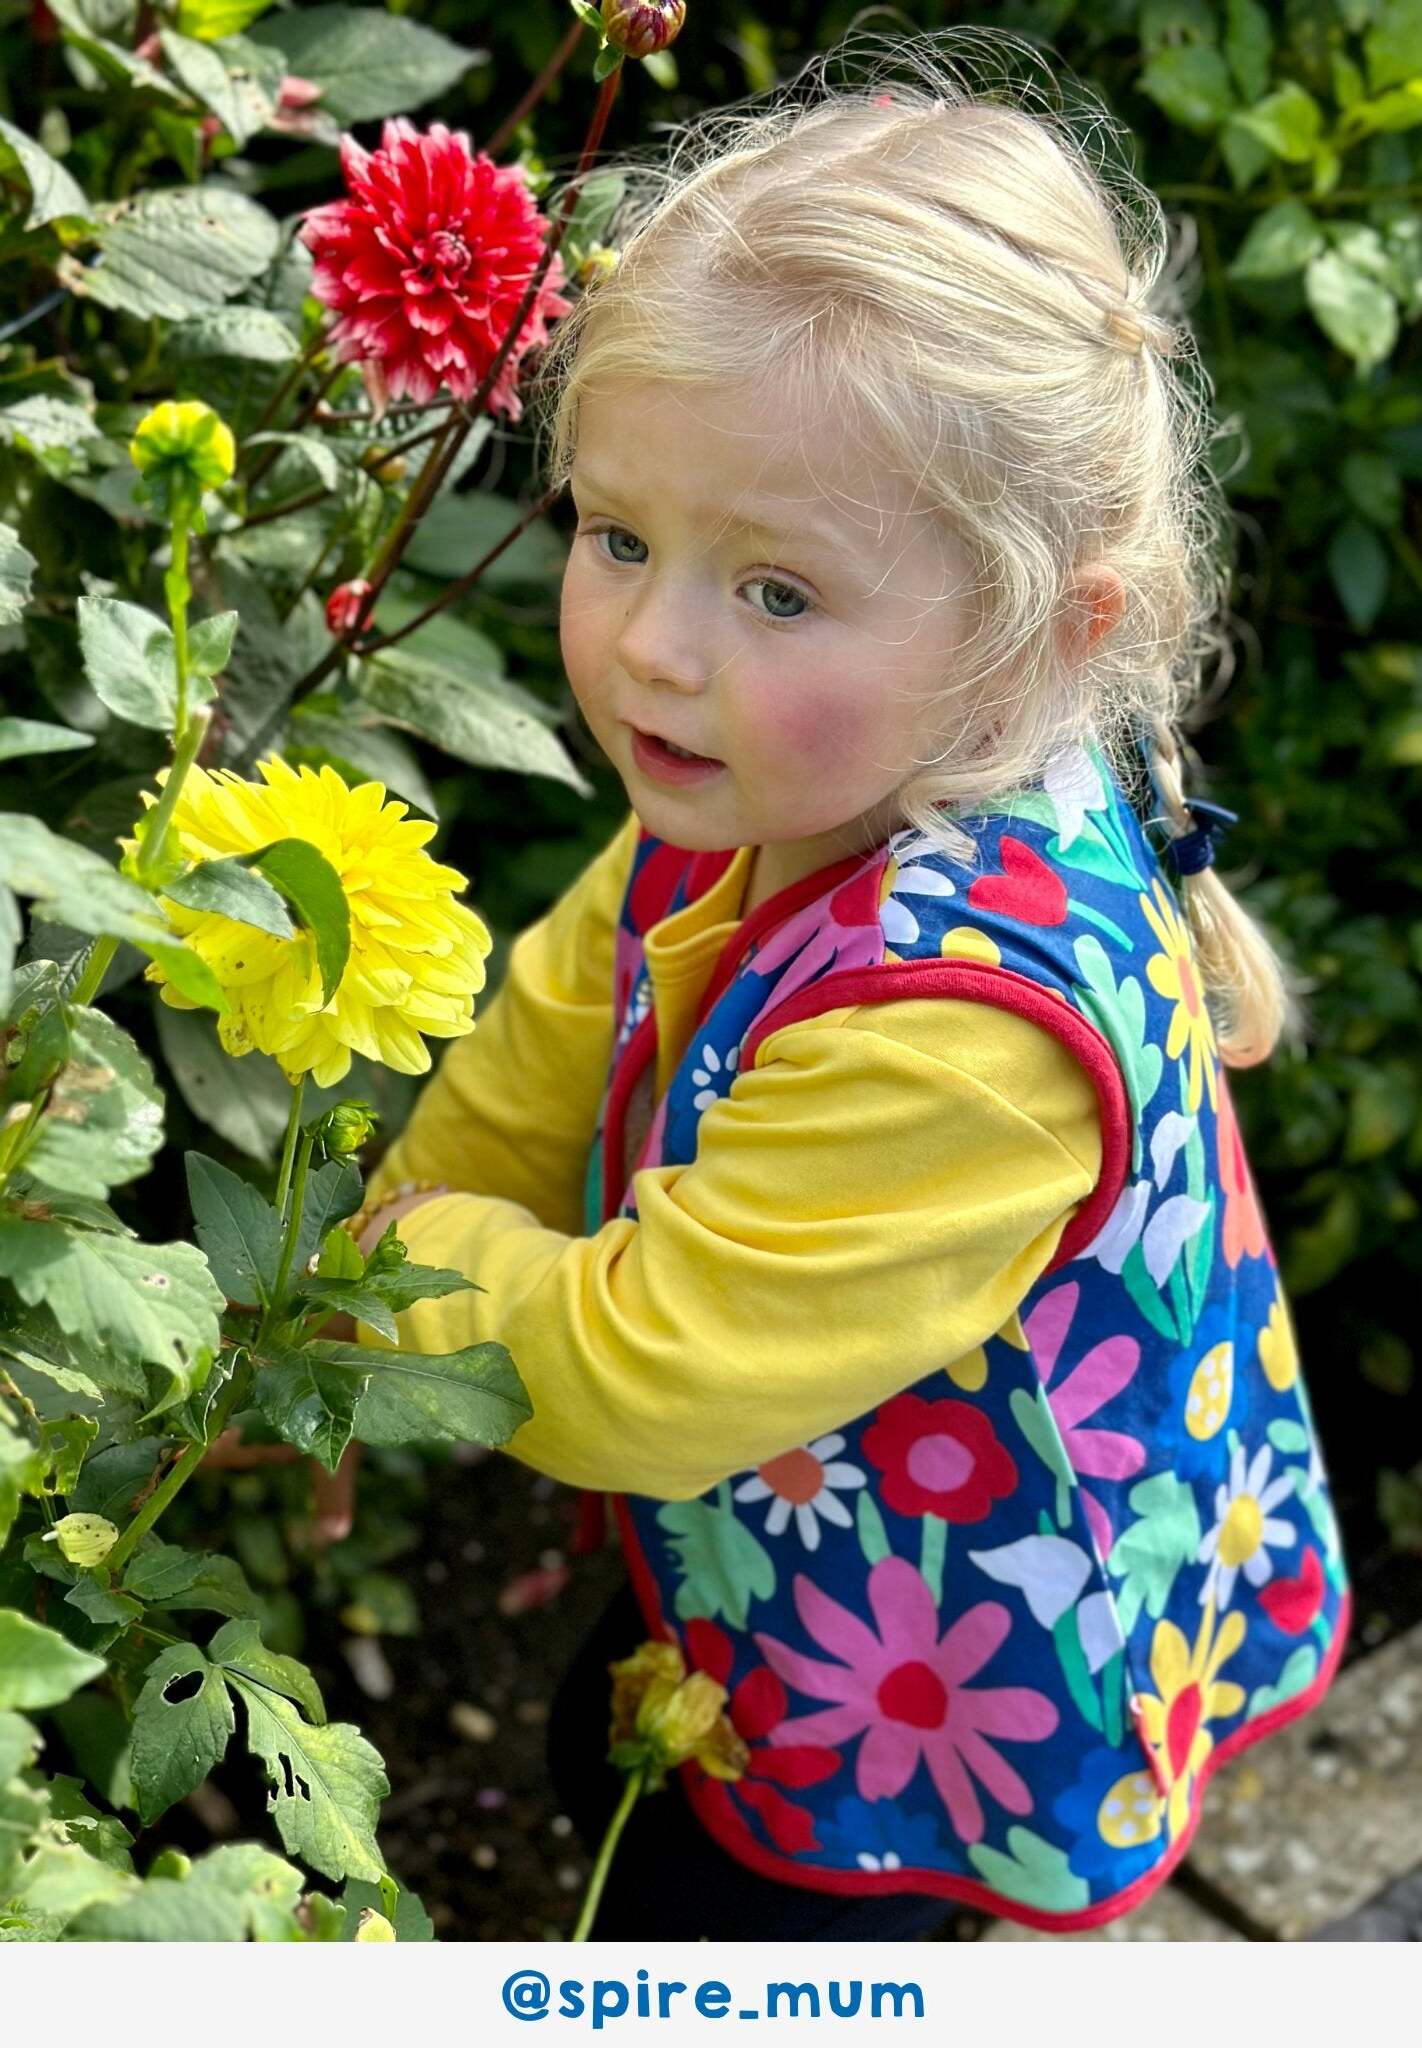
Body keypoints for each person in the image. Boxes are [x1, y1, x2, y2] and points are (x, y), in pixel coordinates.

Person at [347, 29, 1351, 1939]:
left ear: (1033, 635)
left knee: (762, 1931)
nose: (652, 645)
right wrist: (388, 1240)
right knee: (622, 1761)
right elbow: (565, 1011)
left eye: (777, 591)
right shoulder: (791, 769)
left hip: (948, 1646)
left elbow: (635, 1370)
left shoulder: (963, 1038)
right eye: (619, 536)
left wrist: (392, 1275)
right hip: (810, 1487)